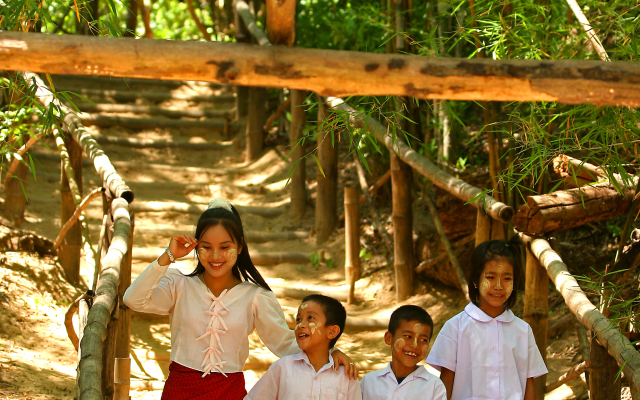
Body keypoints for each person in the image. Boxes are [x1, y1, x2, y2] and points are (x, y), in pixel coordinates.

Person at [123, 199, 357, 400]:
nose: (215, 256)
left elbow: (285, 343)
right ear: (196, 248)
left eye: (225, 247)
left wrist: (329, 351)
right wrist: (169, 255)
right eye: (206, 247)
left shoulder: (255, 297)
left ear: (240, 246)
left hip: (229, 392)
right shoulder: (179, 285)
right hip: (179, 391)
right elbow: (134, 299)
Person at [426, 238, 548, 400]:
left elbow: (528, 383)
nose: (498, 285)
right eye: (490, 277)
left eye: (507, 278)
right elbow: (447, 381)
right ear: (476, 279)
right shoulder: (456, 328)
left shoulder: (523, 330)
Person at [244, 294, 362, 400]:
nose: (301, 325)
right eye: (298, 320)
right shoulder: (282, 368)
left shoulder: (347, 377)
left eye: (310, 318)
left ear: (332, 331)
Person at [360, 305, 446, 400]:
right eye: (408, 336)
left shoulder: (434, 387)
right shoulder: (369, 382)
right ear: (389, 338)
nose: (414, 345)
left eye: (423, 340)